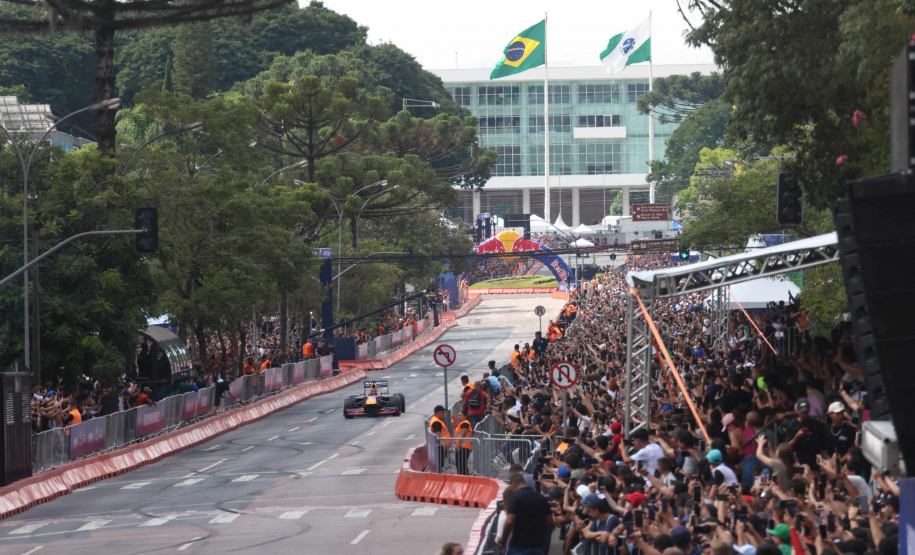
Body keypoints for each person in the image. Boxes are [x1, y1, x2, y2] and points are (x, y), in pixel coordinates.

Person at [500, 473, 554, 555]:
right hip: (537, 545)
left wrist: (503, 541)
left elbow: (509, 521)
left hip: (518, 546)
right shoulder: (541, 498)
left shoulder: (515, 498)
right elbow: (550, 521)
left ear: (514, 485)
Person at [455, 410, 473, 475]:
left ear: (465, 416)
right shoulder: (462, 423)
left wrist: (458, 445)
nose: (458, 417)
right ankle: (463, 477)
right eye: (458, 415)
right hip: (463, 446)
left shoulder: (465, 423)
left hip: (464, 446)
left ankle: (464, 477)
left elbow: (462, 435)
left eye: (460, 415)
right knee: (460, 463)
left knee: (461, 464)